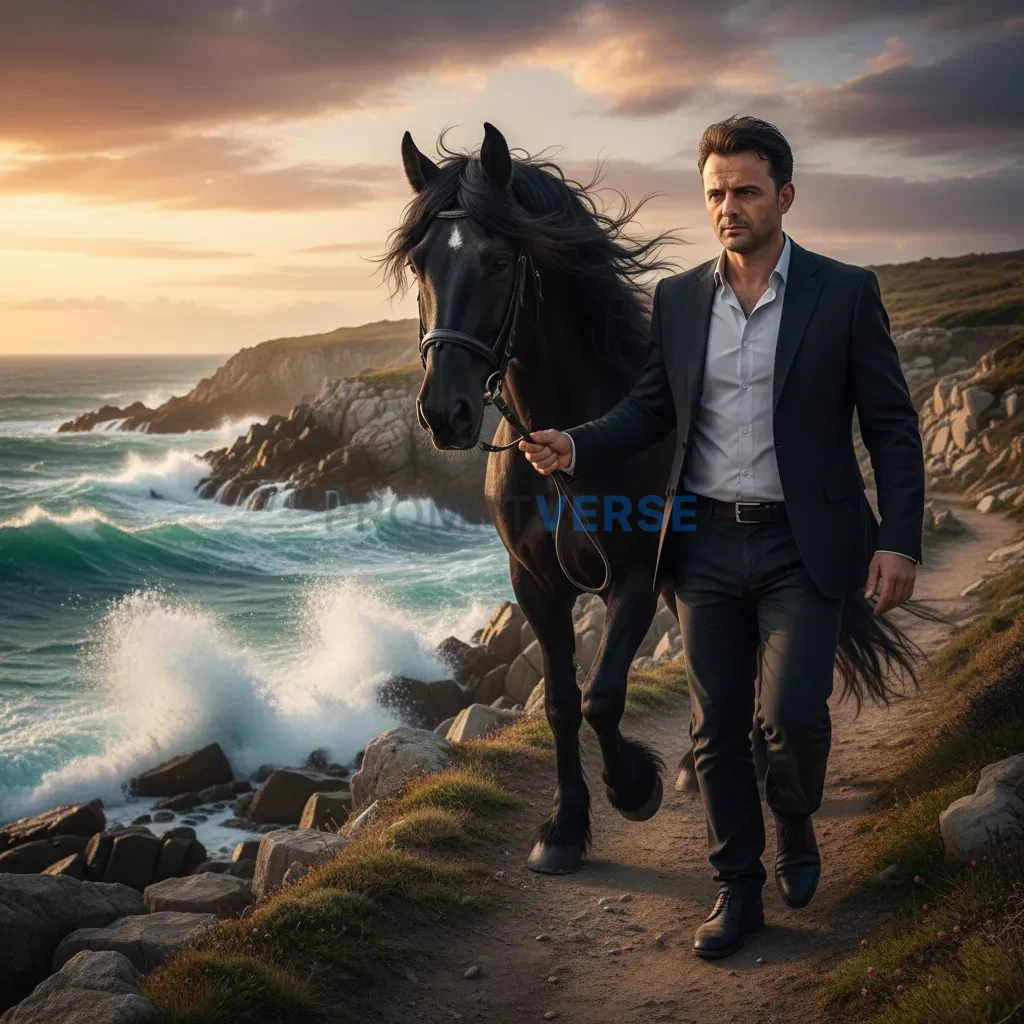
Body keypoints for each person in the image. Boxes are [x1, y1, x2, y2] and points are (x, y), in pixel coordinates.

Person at [518, 115, 924, 959]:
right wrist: (579, 442)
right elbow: (653, 410)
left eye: (744, 190)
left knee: (793, 724)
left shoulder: (845, 292)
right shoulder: (678, 300)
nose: (728, 207)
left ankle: (795, 816)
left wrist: (899, 539)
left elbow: (891, 426)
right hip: (702, 546)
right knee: (713, 733)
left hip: (803, 548)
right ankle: (737, 890)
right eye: (714, 193)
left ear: (784, 195)